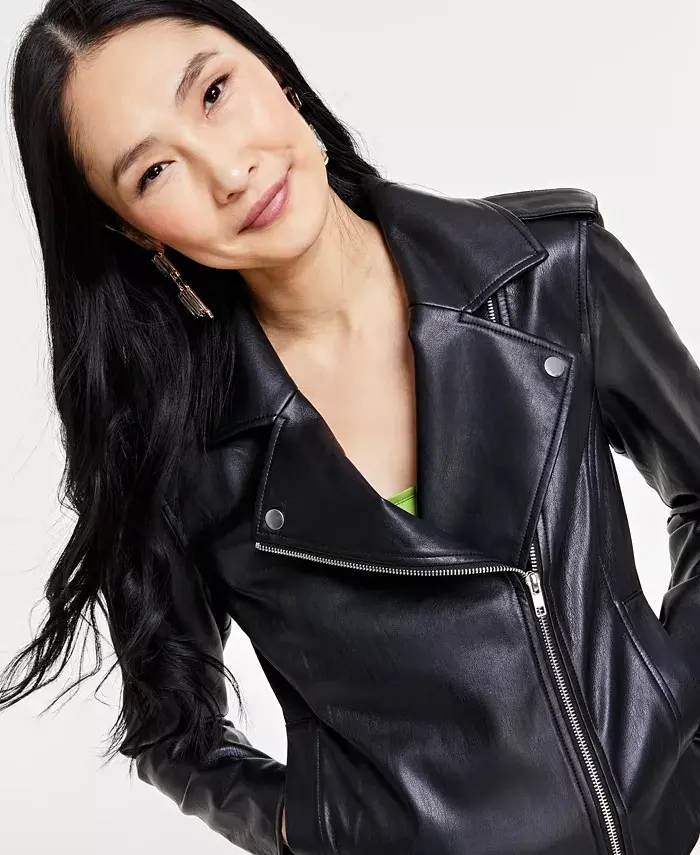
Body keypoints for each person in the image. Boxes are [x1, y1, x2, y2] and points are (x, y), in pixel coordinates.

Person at [3, 1, 700, 854]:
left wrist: (667, 696)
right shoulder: (180, 458)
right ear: (131, 230)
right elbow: (172, 732)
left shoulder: (555, 276)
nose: (229, 171)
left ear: (273, 70)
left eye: (214, 92)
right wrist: (310, 824)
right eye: (154, 171)